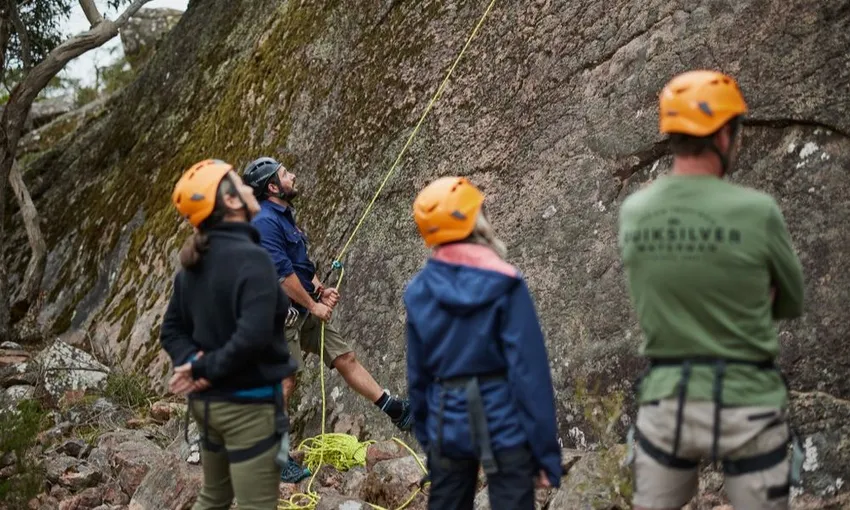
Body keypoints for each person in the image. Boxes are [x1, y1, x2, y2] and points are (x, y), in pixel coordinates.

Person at [618, 70, 806, 510]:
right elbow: (791, 299)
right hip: (748, 400)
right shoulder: (758, 212)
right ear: (724, 135)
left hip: (669, 401)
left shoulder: (635, 212)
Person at [241, 156, 413, 482]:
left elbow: (300, 264)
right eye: (285, 174)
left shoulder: (283, 216)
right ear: (273, 187)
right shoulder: (264, 222)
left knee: (344, 357)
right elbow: (282, 275)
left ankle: (396, 411)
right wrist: (314, 304)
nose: (293, 176)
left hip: (301, 309)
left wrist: (320, 290)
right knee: (285, 382)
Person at [403, 176, 563, 510]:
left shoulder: (419, 292)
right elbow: (530, 373)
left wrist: (430, 441)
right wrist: (545, 453)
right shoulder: (506, 283)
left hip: (447, 421)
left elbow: (418, 379)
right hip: (504, 420)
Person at [160, 159, 298, 510]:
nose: (249, 188)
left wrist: (193, 363)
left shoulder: (192, 267)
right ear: (233, 201)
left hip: (208, 407)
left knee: (215, 496)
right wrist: (201, 368)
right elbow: (253, 337)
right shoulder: (254, 260)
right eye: (239, 182)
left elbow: (172, 330)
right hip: (248, 408)